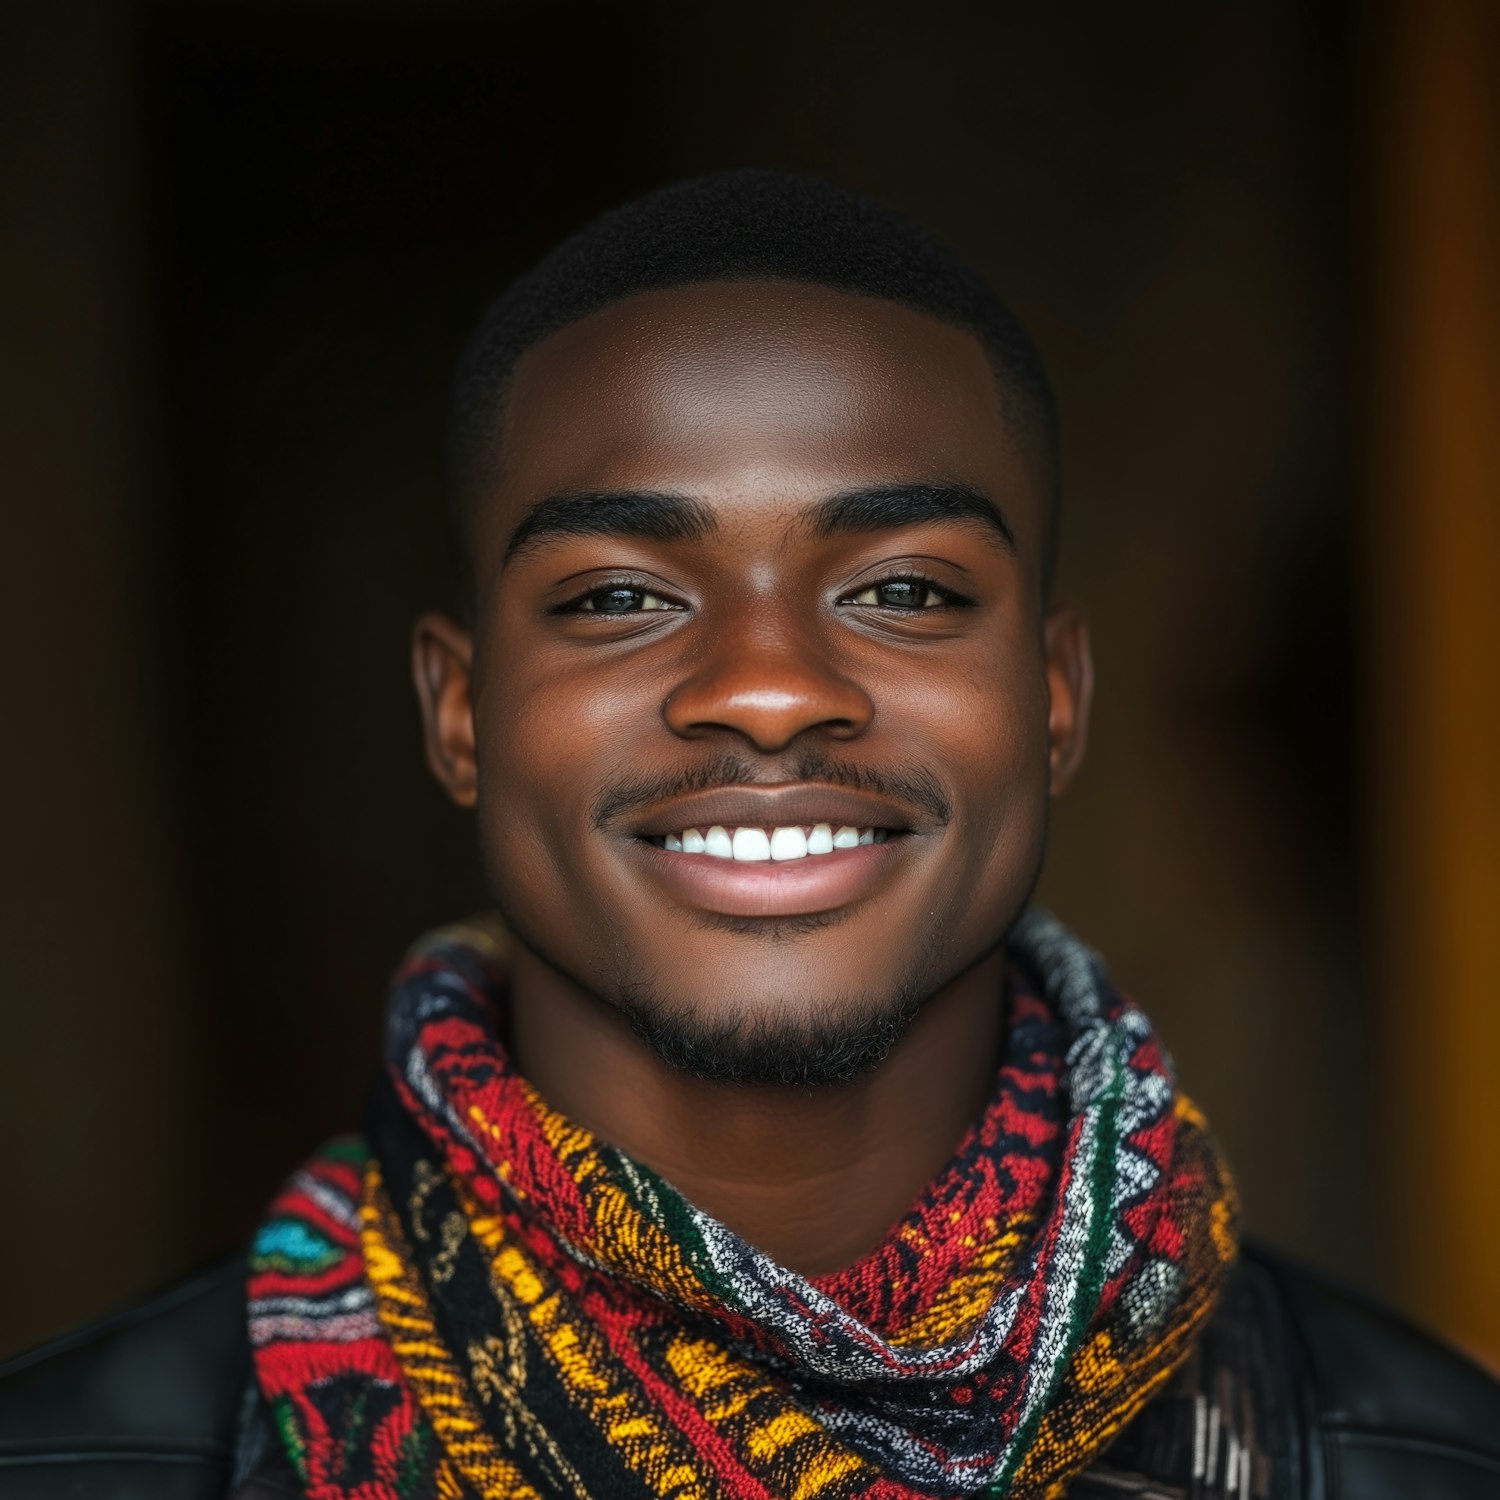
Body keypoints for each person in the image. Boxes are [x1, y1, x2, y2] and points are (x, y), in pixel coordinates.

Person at [2, 170, 1496, 1500]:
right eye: (618, 597)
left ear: (1053, 700)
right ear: (460, 714)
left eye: (904, 590)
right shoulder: (72, 1461)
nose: (769, 691)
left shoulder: (1427, 1458)